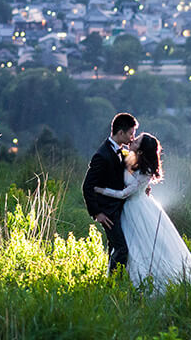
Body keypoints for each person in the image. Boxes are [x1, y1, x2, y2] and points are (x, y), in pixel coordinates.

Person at [92, 133, 191, 292]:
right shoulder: (129, 159)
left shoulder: (144, 171)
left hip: (136, 208)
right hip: (128, 208)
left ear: (140, 151)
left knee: (138, 246)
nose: (133, 140)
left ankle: (139, 283)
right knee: (125, 246)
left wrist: (101, 190)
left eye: (137, 140)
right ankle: (121, 283)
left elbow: (124, 193)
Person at [81, 112, 137, 272]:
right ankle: (113, 284)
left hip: (119, 209)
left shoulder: (121, 151)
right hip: (108, 212)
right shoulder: (101, 155)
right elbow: (87, 186)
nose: (133, 138)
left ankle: (112, 280)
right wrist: (97, 212)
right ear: (121, 133)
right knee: (121, 248)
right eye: (131, 134)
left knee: (114, 246)